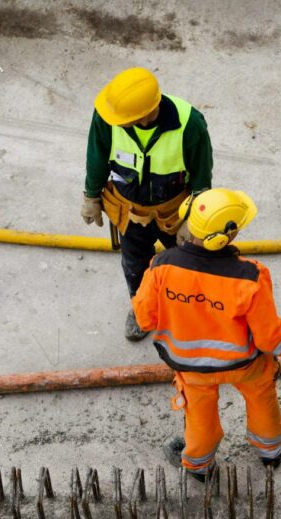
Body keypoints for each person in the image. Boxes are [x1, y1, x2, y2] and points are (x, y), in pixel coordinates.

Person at [131, 188, 281, 481]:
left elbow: (145, 318)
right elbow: (267, 338)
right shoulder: (250, 276)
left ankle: (199, 466)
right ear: (228, 236)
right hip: (245, 365)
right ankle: (270, 452)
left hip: (191, 366)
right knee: (262, 398)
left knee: (199, 415)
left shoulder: (161, 267)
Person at [81, 67, 213, 341]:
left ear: (145, 113)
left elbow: (202, 173)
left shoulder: (189, 124)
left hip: (175, 211)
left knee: (188, 263)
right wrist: (90, 196)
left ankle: (189, 309)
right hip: (131, 211)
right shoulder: (109, 117)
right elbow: (96, 155)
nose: (116, 121)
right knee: (134, 264)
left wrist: (194, 218)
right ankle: (143, 310)